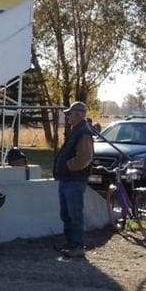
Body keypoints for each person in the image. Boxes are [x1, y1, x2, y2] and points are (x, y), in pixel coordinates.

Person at [55, 102, 94, 258]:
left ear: (78, 115)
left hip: (74, 180)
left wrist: (68, 166)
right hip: (68, 179)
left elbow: (85, 158)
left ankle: (77, 246)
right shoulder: (77, 130)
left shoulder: (83, 132)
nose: (68, 116)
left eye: (70, 114)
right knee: (66, 214)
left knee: (74, 214)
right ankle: (71, 242)